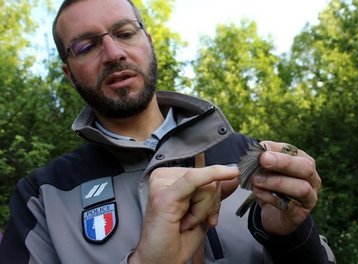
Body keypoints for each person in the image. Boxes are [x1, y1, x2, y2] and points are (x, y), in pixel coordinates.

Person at [0, 0, 335, 263]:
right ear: (68, 74)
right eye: (86, 46)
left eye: (125, 33)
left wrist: (293, 237)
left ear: (149, 41)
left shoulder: (248, 154)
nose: (114, 54)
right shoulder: (40, 198)